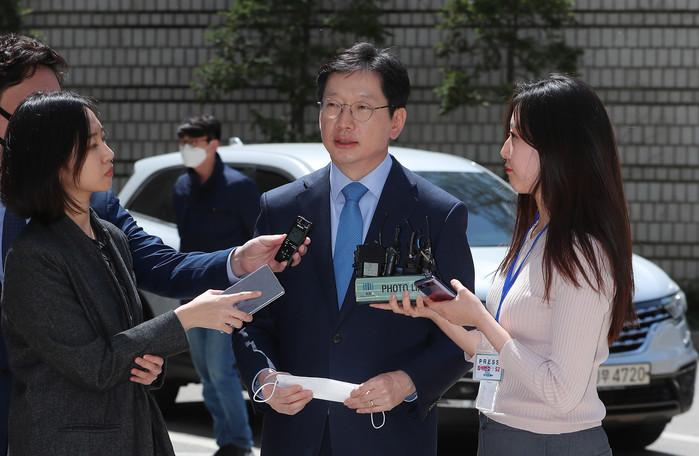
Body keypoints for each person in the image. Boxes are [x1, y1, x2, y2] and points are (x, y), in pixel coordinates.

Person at [0, 33, 308, 453]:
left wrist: (237, 260)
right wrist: (182, 320)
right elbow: (96, 359)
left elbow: (153, 282)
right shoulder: (34, 252)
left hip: (112, 430)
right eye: (31, 106)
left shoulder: (104, 224)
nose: (109, 154)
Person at [233, 42, 475, 456]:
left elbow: (463, 330)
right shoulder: (282, 209)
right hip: (296, 433)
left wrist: (408, 382)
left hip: (390, 435)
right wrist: (264, 378)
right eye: (332, 105)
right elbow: (250, 315)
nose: (343, 121)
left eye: (362, 108)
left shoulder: (436, 215)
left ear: (396, 120)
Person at [373, 75, 635, 456]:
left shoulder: (581, 252)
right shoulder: (537, 233)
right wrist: (434, 312)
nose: (503, 150)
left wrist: (480, 317)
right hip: (504, 433)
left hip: (550, 444)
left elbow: (561, 393)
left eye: (515, 137)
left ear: (559, 147)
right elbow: (496, 355)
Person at [173, 114, 260, 456]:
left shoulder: (239, 187)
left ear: (213, 144)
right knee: (205, 374)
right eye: (183, 143)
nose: (187, 149)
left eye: (194, 142)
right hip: (192, 293)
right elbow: (184, 241)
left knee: (222, 370)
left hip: (229, 295)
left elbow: (256, 240)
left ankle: (238, 443)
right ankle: (225, 440)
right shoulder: (182, 187)